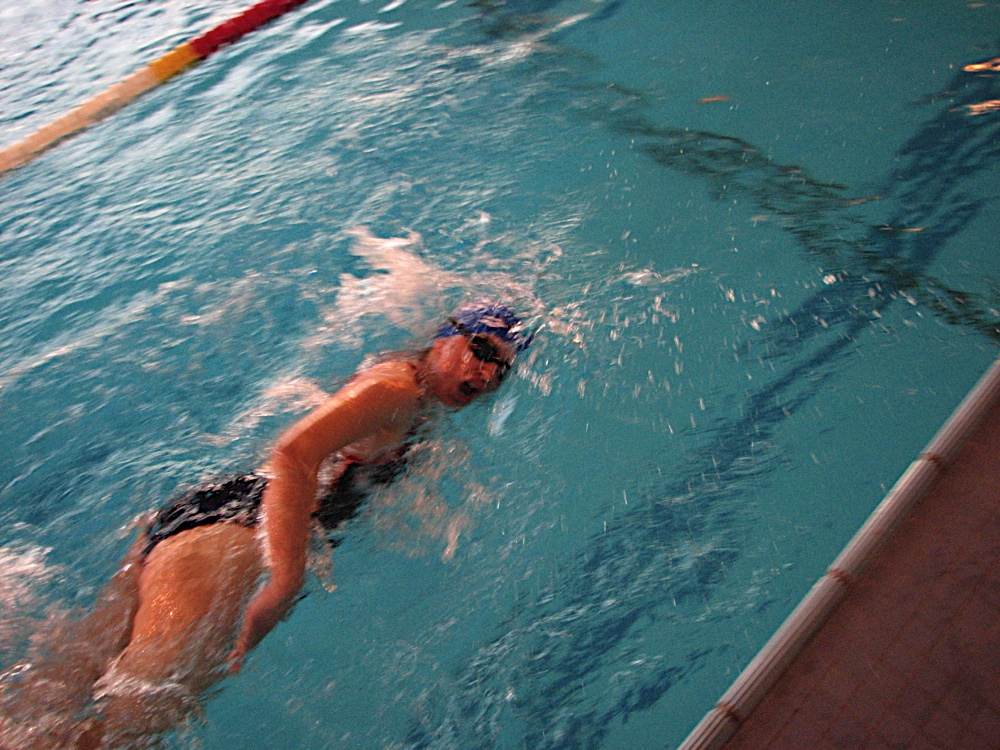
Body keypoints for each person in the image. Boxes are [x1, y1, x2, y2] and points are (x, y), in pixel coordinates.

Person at [0, 302, 531, 750]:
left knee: (52, 698)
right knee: (128, 726)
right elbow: (294, 454)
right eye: (481, 350)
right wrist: (285, 580)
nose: (486, 375)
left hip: (206, 519)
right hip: (234, 540)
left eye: (500, 369)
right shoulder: (397, 389)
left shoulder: (410, 387)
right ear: (443, 337)